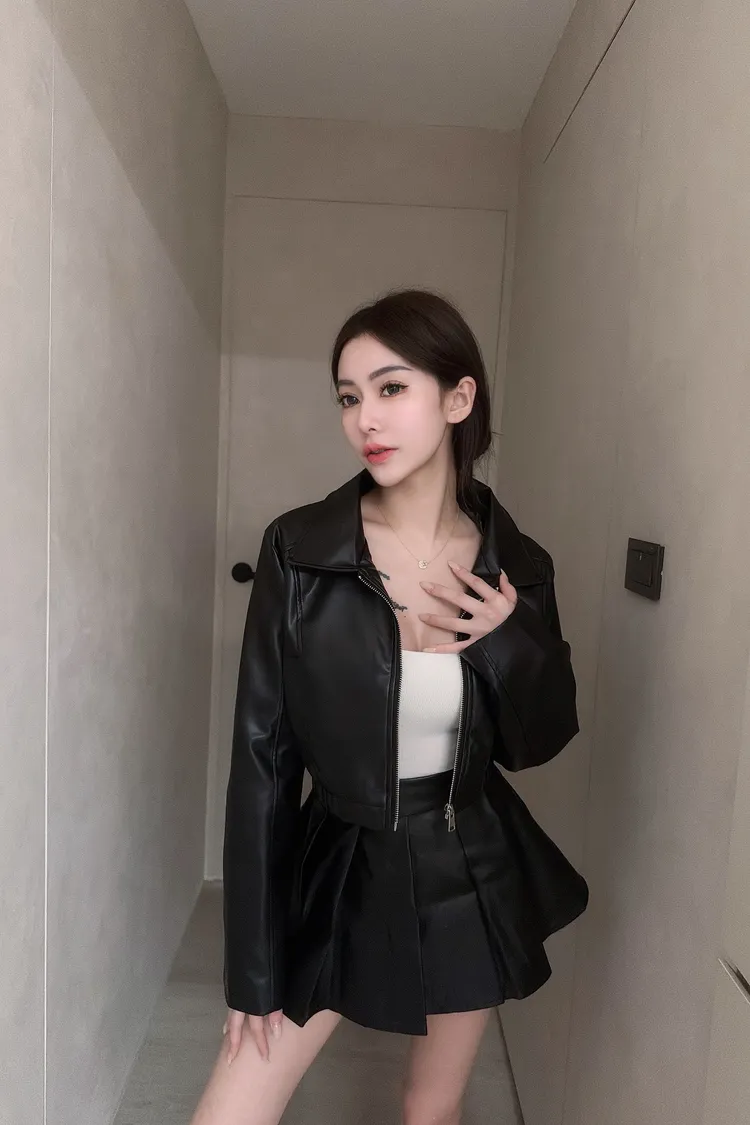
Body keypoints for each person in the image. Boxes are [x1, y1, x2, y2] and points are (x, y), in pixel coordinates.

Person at [190, 289, 588, 1125]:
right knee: (231, 1110)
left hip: (467, 859)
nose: (364, 418)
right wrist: (251, 970)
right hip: (338, 859)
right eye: (348, 396)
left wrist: (508, 641)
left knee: (430, 1110)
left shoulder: (518, 565)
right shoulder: (300, 550)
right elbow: (262, 763)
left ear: (458, 397)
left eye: (391, 387)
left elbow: (541, 740)